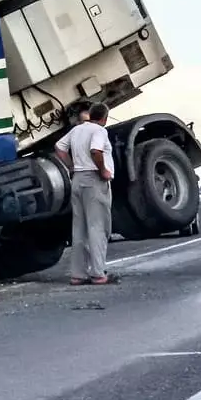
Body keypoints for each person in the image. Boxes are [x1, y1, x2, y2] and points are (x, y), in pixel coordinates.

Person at [54, 102, 119, 285]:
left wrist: (71, 166)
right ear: (104, 118)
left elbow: (59, 147)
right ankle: (98, 273)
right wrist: (103, 170)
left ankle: (78, 274)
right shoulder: (99, 131)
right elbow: (95, 150)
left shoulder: (77, 130)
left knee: (79, 228)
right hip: (94, 181)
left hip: (78, 180)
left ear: (90, 114)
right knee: (98, 227)